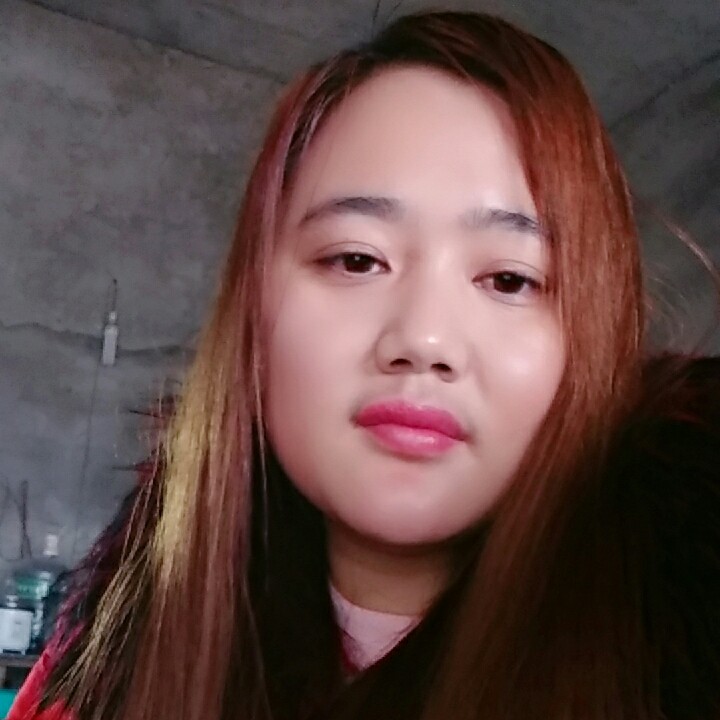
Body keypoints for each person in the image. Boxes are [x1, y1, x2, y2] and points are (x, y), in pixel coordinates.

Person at [9, 9, 720, 720]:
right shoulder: (98, 667)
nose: (424, 339)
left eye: (509, 279)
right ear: (253, 307)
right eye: (356, 260)